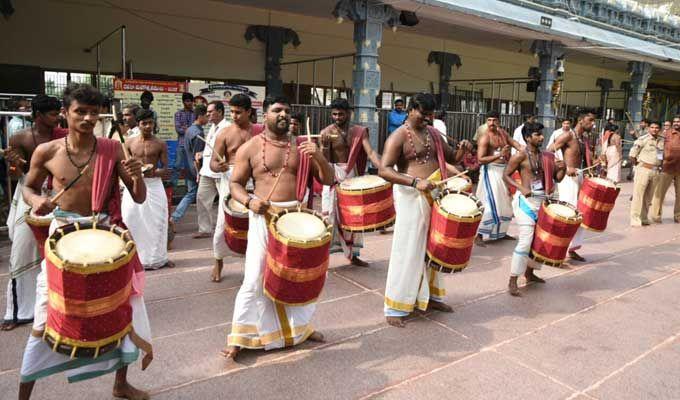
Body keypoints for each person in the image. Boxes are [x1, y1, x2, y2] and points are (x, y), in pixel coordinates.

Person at [18, 83, 151, 400]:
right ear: (66, 113)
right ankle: (23, 394)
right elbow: (29, 187)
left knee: (124, 308)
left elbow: (139, 198)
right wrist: (36, 200)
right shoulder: (47, 151)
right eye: (80, 111)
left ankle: (120, 384)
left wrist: (137, 176)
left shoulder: (113, 149)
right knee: (44, 312)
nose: (88, 118)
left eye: (93, 112)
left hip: (105, 233)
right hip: (63, 237)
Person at [221, 95, 334, 360]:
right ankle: (240, 336)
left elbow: (329, 180)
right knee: (254, 277)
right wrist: (250, 201)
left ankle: (301, 330)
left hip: (296, 218)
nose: (283, 114)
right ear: (265, 114)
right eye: (277, 110)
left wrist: (318, 156)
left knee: (302, 277)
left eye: (287, 110)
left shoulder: (304, 148)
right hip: (264, 216)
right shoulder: (250, 147)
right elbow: (234, 184)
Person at [378, 93, 469, 328]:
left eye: (430, 115)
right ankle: (395, 306)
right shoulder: (398, 137)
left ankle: (431, 298)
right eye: (423, 114)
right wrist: (415, 183)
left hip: (435, 194)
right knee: (408, 250)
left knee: (434, 246)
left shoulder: (435, 134)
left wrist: (463, 150)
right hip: (411, 197)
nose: (427, 119)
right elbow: (384, 170)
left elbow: (453, 158)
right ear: (410, 110)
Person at [2, 95, 65, 331]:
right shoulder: (20, 138)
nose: (57, 117)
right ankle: (16, 311)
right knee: (21, 251)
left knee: (58, 251)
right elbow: (15, 175)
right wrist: (16, 164)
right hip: (31, 196)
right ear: (38, 115)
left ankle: (55, 306)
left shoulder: (64, 135)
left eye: (58, 112)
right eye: (52, 114)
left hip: (57, 195)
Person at [504, 122, 566, 296]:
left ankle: (530, 273)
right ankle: (513, 280)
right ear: (527, 137)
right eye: (537, 134)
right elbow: (505, 175)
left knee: (539, 240)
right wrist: (520, 187)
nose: (541, 137)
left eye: (541, 134)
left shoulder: (547, 156)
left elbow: (557, 178)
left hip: (543, 201)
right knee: (525, 240)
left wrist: (563, 168)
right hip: (525, 202)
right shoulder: (520, 156)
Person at [317, 98, 381, 266]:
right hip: (332, 175)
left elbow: (371, 152)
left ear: (349, 113)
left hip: (352, 177)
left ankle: (353, 255)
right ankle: (322, 259)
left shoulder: (359, 131)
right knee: (329, 216)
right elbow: (323, 162)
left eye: (341, 114)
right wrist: (323, 146)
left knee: (354, 216)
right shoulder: (326, 132)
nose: (337, 117)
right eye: (334, 114)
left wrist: (383, 168)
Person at [209, 94, 262, 282]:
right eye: (231, 111)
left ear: (249, 112)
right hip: (230, 180)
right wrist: (219, 166)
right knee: (222, 225)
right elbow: (212, 163)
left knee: (255, 225)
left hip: (255, 181)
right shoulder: (223, 133)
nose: (234, 115)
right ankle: (218, 261)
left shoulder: (260, 132)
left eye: (238, 112)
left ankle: (253, 266)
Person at [122, 108, 174, 269]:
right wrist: (135, 173)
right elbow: (124, 167)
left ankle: (158, 259)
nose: (148, 126)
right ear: (138, 124)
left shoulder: (160, 144)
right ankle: (132, 259)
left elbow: (166, 170)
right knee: (131, 218)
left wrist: (154, 171)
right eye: (144, 123)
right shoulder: (129, 142)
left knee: (158, 220)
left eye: (150, 123)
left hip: (154, 185)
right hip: (134, 185)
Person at [548, 111, 597, 261]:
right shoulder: (568, 135)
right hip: (568, 179)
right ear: (581, 121)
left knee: (581, 212)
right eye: (590, 121)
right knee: (567, 214)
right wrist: (564, 166)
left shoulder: (583, 138)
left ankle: (572, 248)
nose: (593, 124)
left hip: (579, 176)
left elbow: (584, 158)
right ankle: (557, 251)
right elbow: (550, 150)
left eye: (594, 121)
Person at [476, 110, 523, 242]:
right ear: (486, 122)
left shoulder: (503, 133)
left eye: (494, 120)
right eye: (489, 120)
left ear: (499, 121)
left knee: (506, 204)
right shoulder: (485, 137)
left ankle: (501, 233)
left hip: (504, 171)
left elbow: (516, 144)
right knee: (491, 203)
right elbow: (480, 159)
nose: (491, 123)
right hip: (490, 172)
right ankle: (479, 235)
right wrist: (499, 155)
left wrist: (526, 150)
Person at [195, 101, 230, 239]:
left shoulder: (228, 127)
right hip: (206, 170)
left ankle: (226, 229)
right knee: (201, 197)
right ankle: (205, 229)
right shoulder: (212, 127)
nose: (207, 114)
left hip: (221, 170)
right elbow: (210, 147)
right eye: (207, 112)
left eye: (210, 112)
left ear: (220, 112)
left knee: (224, 201)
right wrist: (201, 153)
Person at [169, 105, 206, 232]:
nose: (208, 118)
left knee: (191, 194)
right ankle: (175, 218)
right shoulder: (198, 133)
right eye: (206, 115)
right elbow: (198, 156)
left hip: (189, 166)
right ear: (200, 116)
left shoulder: (190, 129)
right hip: (195, 169)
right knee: (192, 194)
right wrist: (199, 173)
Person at [629, 121, 664, 226]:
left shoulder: (661, 141)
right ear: (649, 128)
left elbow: (660, 156)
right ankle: (635, 219)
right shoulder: (642, 139)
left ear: (660, 129)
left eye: (657, 127)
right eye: (652, 127)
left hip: (655, 171)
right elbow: (632, 155)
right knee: (638, 195)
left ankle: (644, 217)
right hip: (643, 170)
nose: (654, 129)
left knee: (648, 197)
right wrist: (638, 166)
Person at [651, 116, 680, 223]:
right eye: (675, 121)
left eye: (679, 122)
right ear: (672, 123)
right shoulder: (666, 134)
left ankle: (678, 216)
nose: (677, 123)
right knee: (660, 193)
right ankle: (656, 216)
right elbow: (659, 149)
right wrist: (659, 162)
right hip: (667, 167)